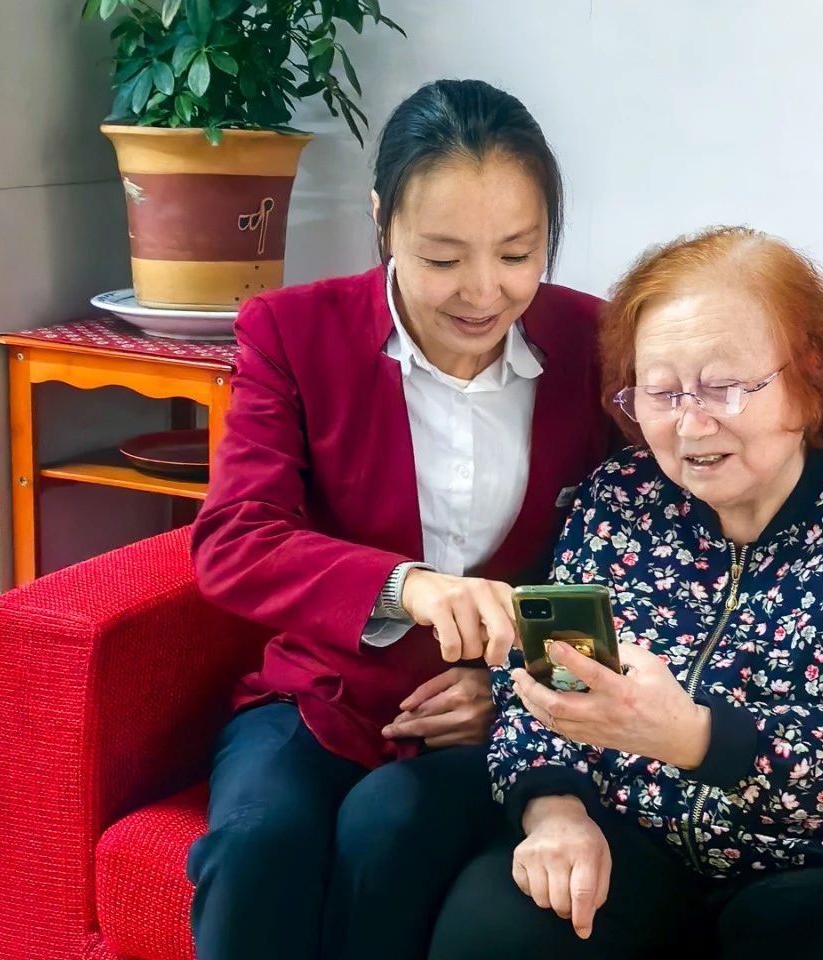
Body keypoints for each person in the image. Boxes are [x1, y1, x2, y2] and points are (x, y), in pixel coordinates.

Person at [432, 226, 823, 960]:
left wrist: (695, 737)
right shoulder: (620, 498)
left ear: (810, 373)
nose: (691, 425)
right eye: (661, 392)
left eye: (725, 387)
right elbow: (545, 675)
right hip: (639, 836)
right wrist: (555, 810)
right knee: (495, 932)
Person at [186, 78, 609, 960]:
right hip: (322, 698)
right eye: (442, 257)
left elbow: (628, 555)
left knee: (392, 833)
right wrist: (407, 587)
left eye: (518, 253)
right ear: (382, 221)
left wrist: (514, 694)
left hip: (499, 719)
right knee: (257, 847)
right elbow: (236, 540)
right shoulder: (293, 332)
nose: (483, 292)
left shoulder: (595, 346)